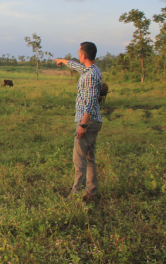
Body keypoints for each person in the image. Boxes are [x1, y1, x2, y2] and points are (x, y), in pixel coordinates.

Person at [53, 42, 103, 201]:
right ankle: (92, 190)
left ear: (84, 55)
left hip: (87, 121)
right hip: (92, 120)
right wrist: (63, 60)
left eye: (79, 52)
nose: (78, 55)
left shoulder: (90, 76)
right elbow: (77, 66)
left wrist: (82, 125)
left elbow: (91, 102)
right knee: (89, 157)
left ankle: (76, 194)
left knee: (79, 158)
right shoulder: (92, 69)